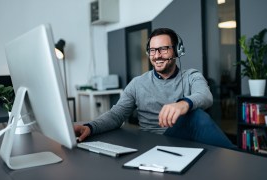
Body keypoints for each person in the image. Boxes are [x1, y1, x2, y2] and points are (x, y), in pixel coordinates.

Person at [74, 28, 234, 149]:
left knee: (195, 116)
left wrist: (183, 104)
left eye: (163, 49)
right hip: (152, 144)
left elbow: (205, 95)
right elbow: (116, 115)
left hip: (184, 141)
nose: (157, 55)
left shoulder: (191, 76)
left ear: (177, 51)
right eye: (152, 50)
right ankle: (238, 157)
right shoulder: (137, 83)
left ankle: (237, 158)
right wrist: (90, 127)